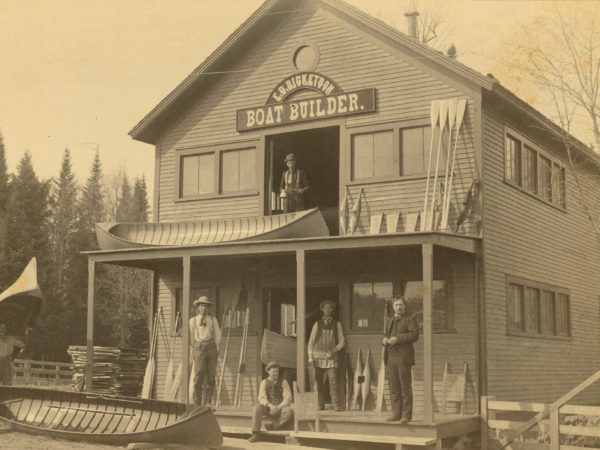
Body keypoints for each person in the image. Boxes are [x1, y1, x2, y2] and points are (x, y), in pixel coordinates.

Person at [383, 296, 419, 424]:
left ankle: (406, 416)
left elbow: (414, 335)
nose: (399, 307)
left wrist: (397, 339)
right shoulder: (389, 320)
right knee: (394, 387)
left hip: (404, 357)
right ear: (393, 307)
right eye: (396, 305)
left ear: (405, 306)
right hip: (391, 357)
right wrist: (384, 340)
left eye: (401, 305)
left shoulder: (410, 319)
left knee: (405, 387)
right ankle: (396, 413)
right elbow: (386, 335)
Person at [307, 299, 345, 411]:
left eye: (330, 308)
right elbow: (311, 341)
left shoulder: (337, 323)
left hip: (331, 357)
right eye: (326, 308)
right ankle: (319, 404)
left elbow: (342, 341)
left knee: (333, 380)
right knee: (319, 382)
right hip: (317, 356)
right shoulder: (317, 324)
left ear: (333, 310)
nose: (328, 310)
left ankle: (336, 405)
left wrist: (334, 350)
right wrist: (310, 356)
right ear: (322, 310)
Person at [248, 361, 293, 443]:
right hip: (268, 407)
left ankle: (273, 426)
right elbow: (261, 398)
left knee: (289, 412)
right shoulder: (264, 382)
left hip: (280, 407)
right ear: (268, 372)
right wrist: (270, 406)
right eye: (274, 371)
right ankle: (255, 433)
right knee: (256, 408)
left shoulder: (283, 382)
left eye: (277, 371)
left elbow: (288, 398)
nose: (276, 373)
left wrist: (278, 407)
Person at [188, 296, 221, 407]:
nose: (204, 308)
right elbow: (191, 337)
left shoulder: (213, 319)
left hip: (211, 347)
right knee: (198, 376)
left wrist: (216, 348)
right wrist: (195, 349)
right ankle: (197, 403)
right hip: (199, 347)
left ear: (208, 308)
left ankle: (208, 402)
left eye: (206, 306)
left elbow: (218, 335)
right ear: (198, 307)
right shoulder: (193, 321)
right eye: (202, 306)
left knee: (211, 376)